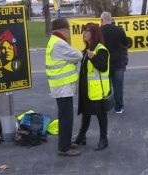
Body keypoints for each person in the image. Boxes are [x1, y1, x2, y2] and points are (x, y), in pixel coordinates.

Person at [45, 18, 83, 156]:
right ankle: (64, 148)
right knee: (66, 117)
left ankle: (65, 142)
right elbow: (78, 55)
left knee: (64, 116)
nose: (69, 32)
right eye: (68, 29)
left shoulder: (54, 41)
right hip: (63, 86)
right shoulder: (59, 44)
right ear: (61, 30)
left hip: (60, 86)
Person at [74, 23, 111, 151]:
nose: (84, 33)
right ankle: (81, 136)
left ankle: (103, 139)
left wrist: (93, 58)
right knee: (86, 113)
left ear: (94, 33)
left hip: (97, 90)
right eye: (83, 31)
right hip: (86, 89)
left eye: (87, 31)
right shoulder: (86, 50)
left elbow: (103, 67)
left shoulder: (100, 49)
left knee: (101, 115)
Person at [100, 11, 128, 114]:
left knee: (105, 87)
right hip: (118, 63)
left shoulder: (99, 31)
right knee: (118, 86)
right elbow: (125, 44)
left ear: (102, 20)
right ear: (111, 19)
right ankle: (118, 107)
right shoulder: (119, 30)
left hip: (104, 64)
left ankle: (105, 106)